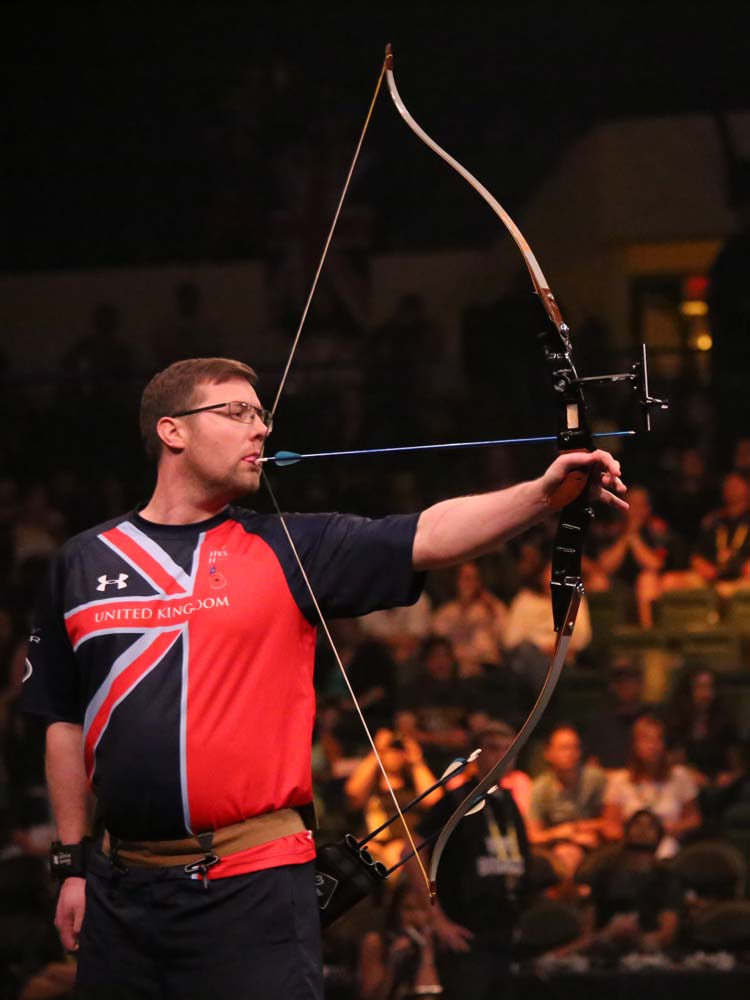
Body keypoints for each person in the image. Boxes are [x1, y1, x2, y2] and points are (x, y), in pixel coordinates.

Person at [21, 357, 627, 999]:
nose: (259, 429)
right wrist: (73, 866)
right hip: (123, 889)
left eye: (262, 415)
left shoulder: (288, 547)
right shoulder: (84, 562)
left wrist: (543, 494)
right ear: (173, 431)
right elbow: (63, 717)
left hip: (254, 882)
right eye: (237, 412)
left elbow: (428, 535)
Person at [410, 721, 532, 1000]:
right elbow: (412, 848)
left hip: (503, 933)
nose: (501, 756)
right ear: (476, 756)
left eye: (508, 749)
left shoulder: (508, 801)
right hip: (466, 933)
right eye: (492, 749)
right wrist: (435, 917)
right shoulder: (457, 800)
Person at [558, 809, 681, 959]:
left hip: (649, 952)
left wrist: (639, 937)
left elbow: (667, 932)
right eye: (637, 824)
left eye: (650, 826)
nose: (643, 830)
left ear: (659, 836)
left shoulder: (667, 879)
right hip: (603, 947)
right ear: (626, 831)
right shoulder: (603, 876)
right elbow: (587, 929)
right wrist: (609, 934)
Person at [602, 714, 701, 859]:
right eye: (646, 740)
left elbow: (694, 819)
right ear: (635, 745)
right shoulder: (619, 780)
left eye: (657, 740)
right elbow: (609, 825)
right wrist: (635, 835)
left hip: (667, 845)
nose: (651, 745)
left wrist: (674, 828)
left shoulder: (680, 776)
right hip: (630, 848)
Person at [527, 725, 607, 877]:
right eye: (564, 748)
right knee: (566, 854)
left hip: (593, 845)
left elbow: (611, 822)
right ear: (548, 753)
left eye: (575, 748)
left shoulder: (595, 779)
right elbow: (533, 835)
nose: (571, 754)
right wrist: (561, 834)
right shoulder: (540, 787)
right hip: (555, 849)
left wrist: (578, 828)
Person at [431, 560, 508, 677]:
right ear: (456, 582)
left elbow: (506, 640)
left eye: (475, 579)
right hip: (456, 672)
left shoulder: (493, 606)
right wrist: (464, 609)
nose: (471, 584)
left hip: (489, 669)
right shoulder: (445, 612)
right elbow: (439, 644)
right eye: (466, 579)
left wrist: (492, 610)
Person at [584, 657, 651, 771]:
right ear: (612, 686)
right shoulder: (600, 722)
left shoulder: (653, 719)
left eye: (630, 680)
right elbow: (591, 763)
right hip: (609, 784)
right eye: (619, 681)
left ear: (640, 683)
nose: (625, 686)